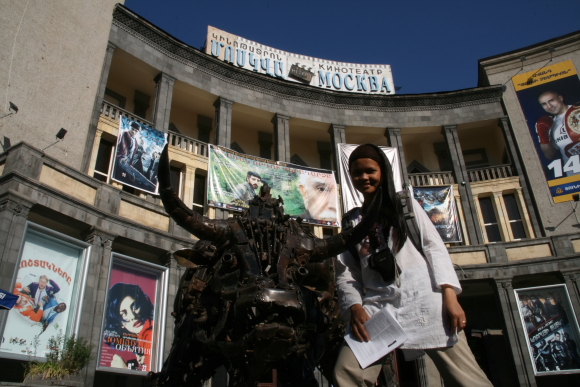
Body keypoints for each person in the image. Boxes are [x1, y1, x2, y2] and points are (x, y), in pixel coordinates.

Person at [333, 144, 492, 387]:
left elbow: (434, 248)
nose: (363, 177)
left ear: (383, 172)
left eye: (370, 171)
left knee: (467, 380)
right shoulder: (351, 222)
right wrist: (355, 308)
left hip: (426, 303)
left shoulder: (405, 205)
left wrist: (450, 297)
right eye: (356, 173)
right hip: (379, 306)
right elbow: (347, 273)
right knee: (347, 372)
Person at [105, 283, 154, 371]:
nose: (133, 316)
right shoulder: (139, 340)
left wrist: (123, 369)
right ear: (120, 323)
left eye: (134, 306)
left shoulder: (150, 333)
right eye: (124, 313)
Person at [535, 91, 577, 170]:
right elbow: (549, 155)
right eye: (544, 104)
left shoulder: (577, 111)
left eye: (551, 100)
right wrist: (543, 135)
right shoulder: (549, 124)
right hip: (573, 176)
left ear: (560, 98)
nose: (549, 106)